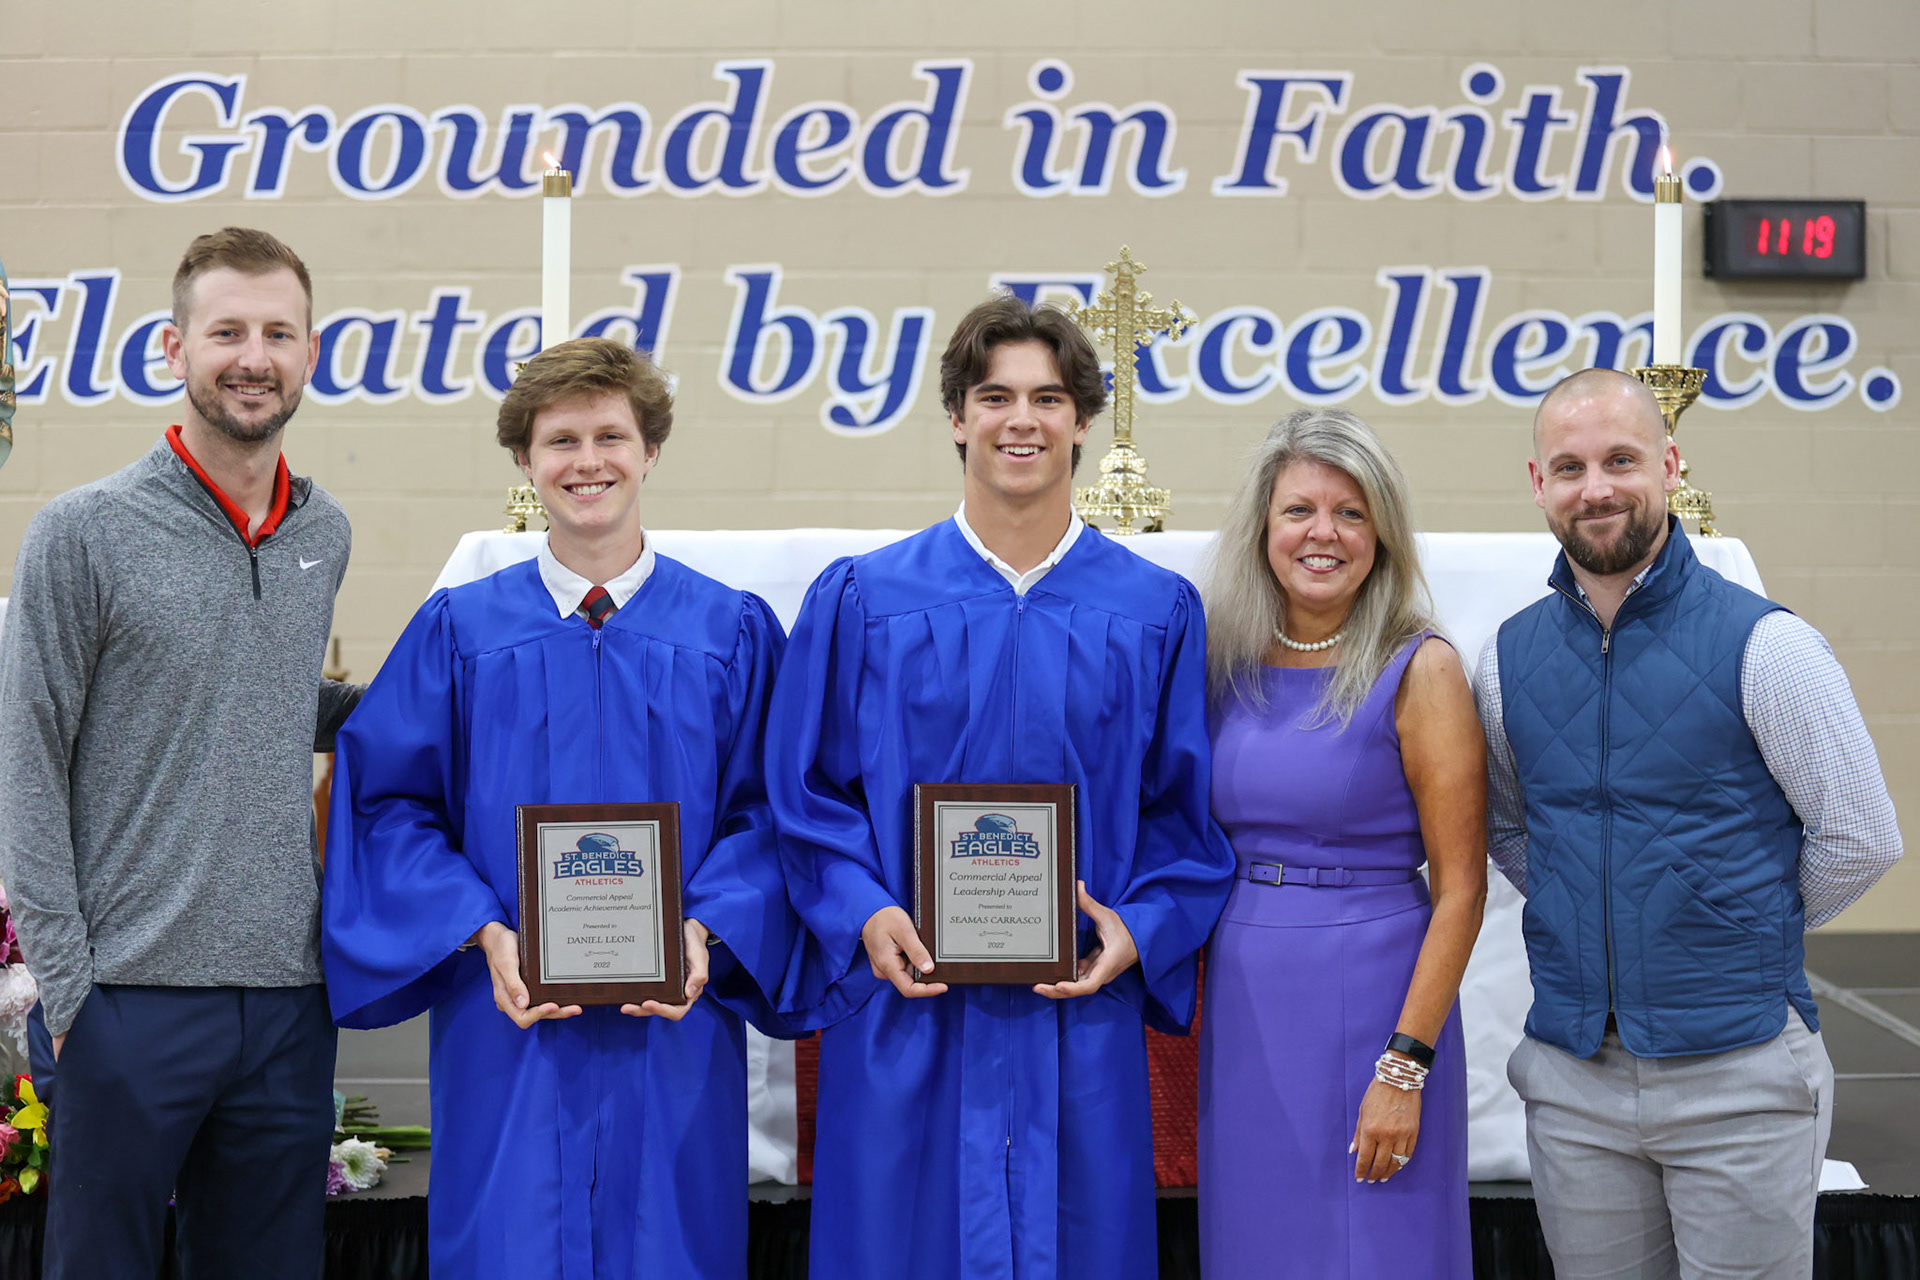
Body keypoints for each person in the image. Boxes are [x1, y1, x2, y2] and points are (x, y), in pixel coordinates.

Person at [766, 292, 1237, 1280]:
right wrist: (863, 909)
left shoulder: (1154, 611)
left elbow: (1183, 816)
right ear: (956, 416)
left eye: (1049, 397)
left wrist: (1139, 927)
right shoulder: (867, 598)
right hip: (911, 996)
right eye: (995, 395)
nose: (1021, 418)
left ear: (1080, 420)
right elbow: (804, 793)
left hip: (1075, 1002)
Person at [322, 337, 796, 1280]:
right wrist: (482, 929)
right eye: (561, 440)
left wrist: (706, 926)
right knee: (509, 1244)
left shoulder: (729, 631)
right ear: (527, 461)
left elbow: (775, 814)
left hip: (675, 1019)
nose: (589, 461)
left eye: (611, 435)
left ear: (650, 450)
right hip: (509, 1021)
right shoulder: (460, 631)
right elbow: (388, 807)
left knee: (672, 1244)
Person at [1475, 367, 1904, 1279]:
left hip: (1740, 1074)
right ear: (1537, 482)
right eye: (1570, 466)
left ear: (1669, 463)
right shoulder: (1505, 659)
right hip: (1573, 1080)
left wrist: (1737, 928)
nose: (1596, 488)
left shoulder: (1768, 646)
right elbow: (1510, 831)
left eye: (1621, 460)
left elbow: (1862, 834)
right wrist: (1591, 918)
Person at [0, 227, 355, 1278]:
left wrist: (447, 699)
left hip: (289, 1000)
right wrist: (70, 993)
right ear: (174, 346)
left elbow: (271, 695)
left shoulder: (321, 529)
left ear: (311, 352)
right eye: (228, 330)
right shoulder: (84, 531)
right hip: (131, 997)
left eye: (278, 332)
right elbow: (28, 759)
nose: (254, 355)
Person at [1195, 408, 1486, 1279]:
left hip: (1377, 1002)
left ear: (1382, 534)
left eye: (1351, 513)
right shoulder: (1222, 662)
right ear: (1263, 528)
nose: (1323, 533)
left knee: (1379, 1248)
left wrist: (1405, 1069)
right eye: (1299, 511)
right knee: (1257, 1246)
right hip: (1246, 1002)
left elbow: (1463, 888)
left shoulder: (1420, 666)